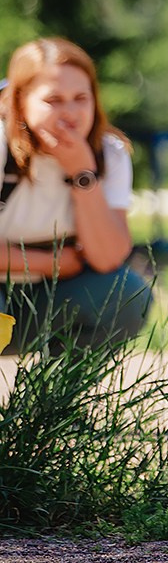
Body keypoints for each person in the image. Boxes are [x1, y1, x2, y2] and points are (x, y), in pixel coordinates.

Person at [0, 38, 152, 352]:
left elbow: (108, 257)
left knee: (127, 295)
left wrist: (83, 174)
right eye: (53, 100)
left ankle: (53, 399)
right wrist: (52, 263)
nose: (70, 113)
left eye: (80, 98)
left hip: (40, 300)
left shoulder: (109, 153)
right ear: (19, 102)